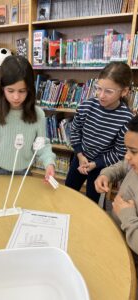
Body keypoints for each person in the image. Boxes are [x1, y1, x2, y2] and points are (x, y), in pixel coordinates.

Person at [0, 55, 56, 194]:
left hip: (25, 171)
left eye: (22, 91)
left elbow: (42, 145)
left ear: (29, 90)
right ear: (2, 89)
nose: (16, 97)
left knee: (21, 204)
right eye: (10, 91)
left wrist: (49, 163)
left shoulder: (38, 115)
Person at [65, 62, 134, 202]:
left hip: (101, 167)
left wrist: (96, 164)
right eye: (98, 89)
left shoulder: (126, 119)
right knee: (68, 191)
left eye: (108, 91)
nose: (101, 95)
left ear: (124, 91)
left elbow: (119, 152)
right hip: (79, 159)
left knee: (93, 199)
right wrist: (79, 154)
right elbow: (75, 131)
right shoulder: (86, 106)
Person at [94, 115, 138, 295]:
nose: (127, 156)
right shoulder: (133, 165)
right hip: (114, 235)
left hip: (130, 261)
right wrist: (106, 174)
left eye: (133, 152)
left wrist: (127, 216)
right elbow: (122, 166)